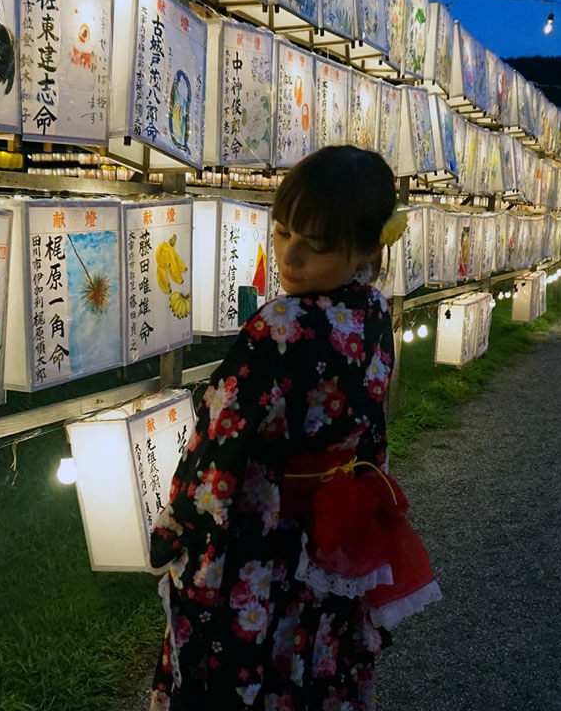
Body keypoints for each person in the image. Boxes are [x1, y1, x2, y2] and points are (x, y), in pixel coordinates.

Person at [148, 146, 441, 711]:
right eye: (282, 232)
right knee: (314, 653)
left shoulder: (282, 323)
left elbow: (221, 437)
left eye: (316, 244)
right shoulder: (375, 312)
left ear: (368, 247)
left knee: (245, 659)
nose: (291, 254)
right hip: (336, 526)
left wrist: (180, 522)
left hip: (266, 524)